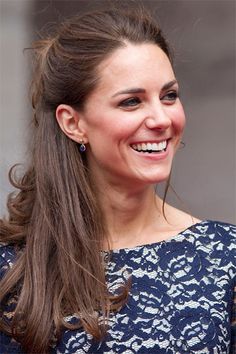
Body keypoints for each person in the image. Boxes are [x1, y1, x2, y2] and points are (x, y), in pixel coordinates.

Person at [0, 5, 235, 354]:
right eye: (131, 102)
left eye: (169, 95)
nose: (161, 118)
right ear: (73, 123)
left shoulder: (225, 258)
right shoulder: (11, 268)